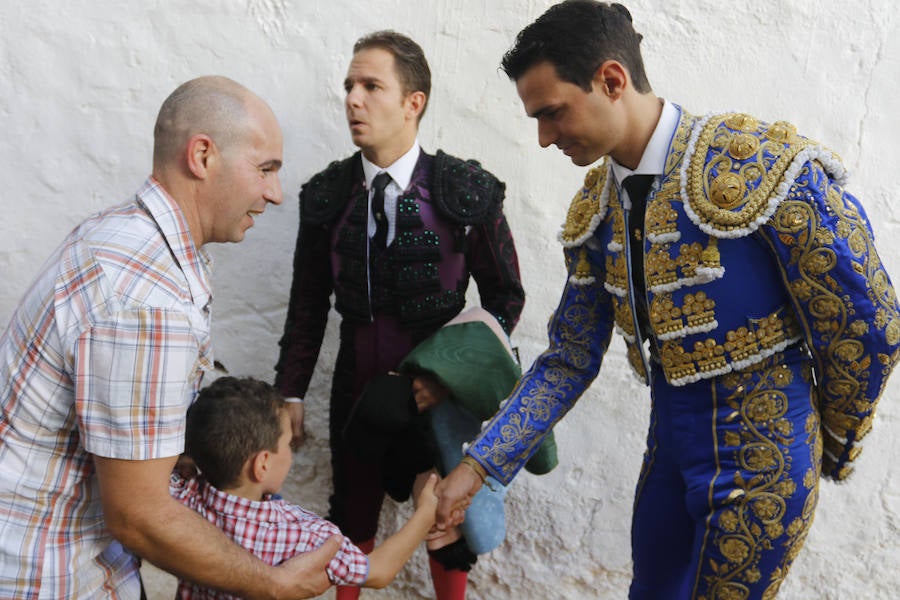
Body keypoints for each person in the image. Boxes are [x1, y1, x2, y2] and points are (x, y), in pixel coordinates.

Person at [435, 2, 900, 599]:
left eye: (552, 114)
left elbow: (869, 320)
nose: (544, 138)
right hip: (670, 453)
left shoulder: (757, 164)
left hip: (765, 461)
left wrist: (829, 440)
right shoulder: (595, 209)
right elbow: (570, 358)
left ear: (611, 80)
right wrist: (481, 465)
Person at [0, 76, 340, 599]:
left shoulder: (130, 238)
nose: (274, 193)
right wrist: (271, 583)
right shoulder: (145, 296)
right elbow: (138, 516)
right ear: (202, 155)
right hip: (53, 576)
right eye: (266, 168)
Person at [274, 30, 525, 600]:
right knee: (351, 517)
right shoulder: (329, 194)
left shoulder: (465, 190)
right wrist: (289, 391)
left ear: (414, 102)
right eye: (349, 87)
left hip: (442, 391)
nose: (353, 100)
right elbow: (308, 303)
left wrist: (449, 377)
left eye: (370, 86)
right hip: (356, 384)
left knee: (447, 517)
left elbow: (505, 297)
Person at [170, 376, 439, 598]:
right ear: (262, 463)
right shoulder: (304, 534)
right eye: (287, 444)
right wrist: (425, 514)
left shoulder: (178, 500)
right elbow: (378, 570)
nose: (290, 452)